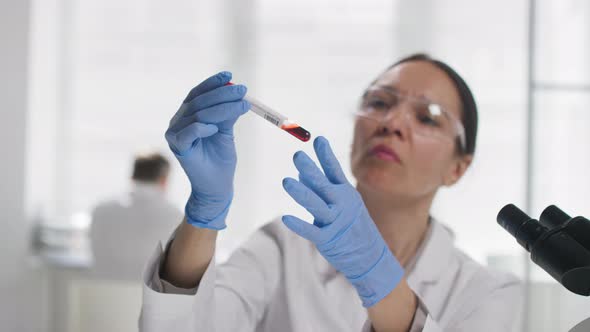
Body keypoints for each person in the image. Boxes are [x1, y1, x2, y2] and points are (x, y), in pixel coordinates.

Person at [139, 54, 523, 331]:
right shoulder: (283, 245)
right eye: (379, 102)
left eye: (427, 117)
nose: (392, 123)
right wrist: (204, 213)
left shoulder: (486, 292)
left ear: (459, 167)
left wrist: (379, 278)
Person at [90, 152, 181, 279]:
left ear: (132, 176)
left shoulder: (101, 210)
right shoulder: (175, 215)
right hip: (148, 295)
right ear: (164, 179)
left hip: (102, 293)